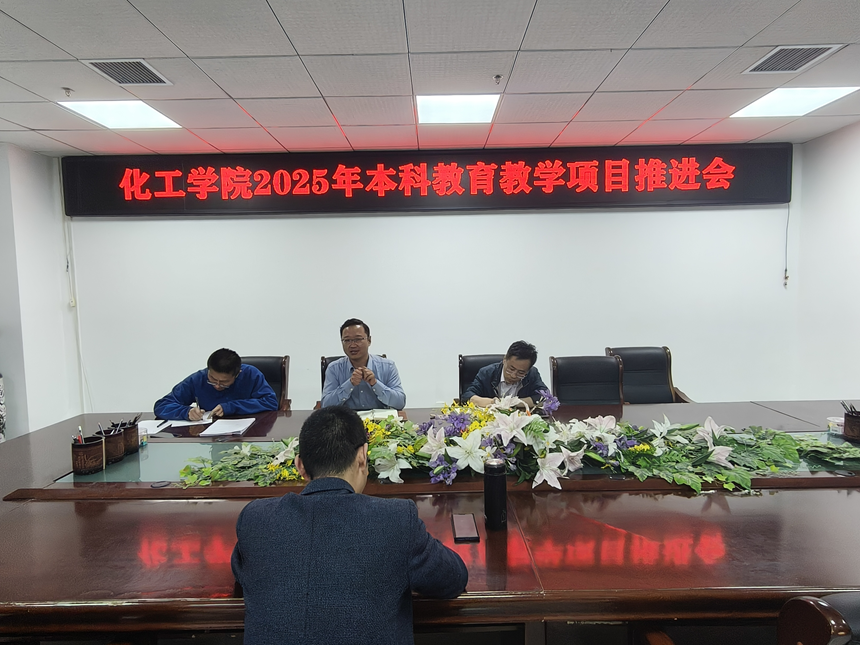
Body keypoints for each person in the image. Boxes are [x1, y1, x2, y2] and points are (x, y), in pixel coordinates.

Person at [231, 406, 468, 645]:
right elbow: (452, 579)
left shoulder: (255, 519)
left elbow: (243, 572)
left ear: (299, 466)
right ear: (363, 456)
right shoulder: (395, 519)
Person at [154, 348, 278, 420]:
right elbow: (162, 406)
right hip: (210, 436)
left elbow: (271, 402)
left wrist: (231, 407)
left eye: (224, 382)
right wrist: (186, 412)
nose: (217, 385)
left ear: (237, 374)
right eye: (212, 379)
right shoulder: (198, 379)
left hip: (248, 435)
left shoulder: (251, 375)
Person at [321, 318, 406, 410]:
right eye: (347, 340)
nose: (352, 345)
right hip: (346, 418)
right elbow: (326, 406)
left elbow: (400, 403)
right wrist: (349, 384)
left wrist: (375, 384)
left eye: (358, 339)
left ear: (369, 340)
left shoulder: (388, 366)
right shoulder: (333, 368)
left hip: (379, 418)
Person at [462, 340, 549, 408]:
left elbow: (545, 397)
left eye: (521, 373)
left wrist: (514, 402)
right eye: (511, 369)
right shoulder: (487, 373)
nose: (513, 375)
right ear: (504, 360)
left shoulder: (532, 374)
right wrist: (493, 402)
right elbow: (467, 397)